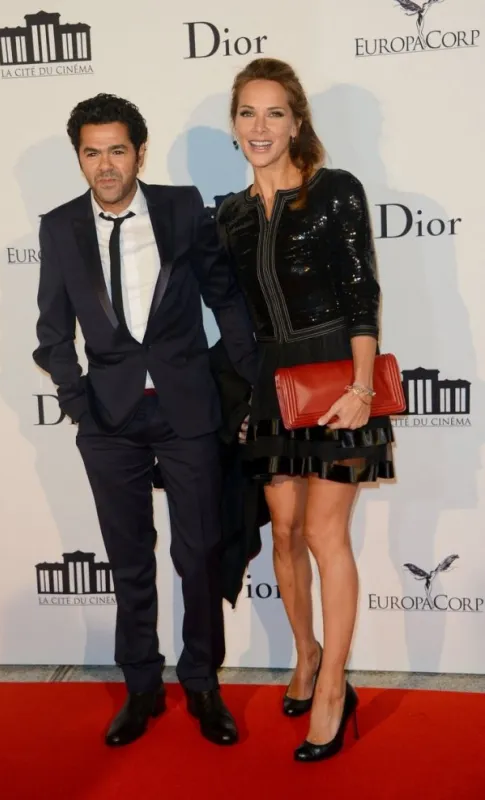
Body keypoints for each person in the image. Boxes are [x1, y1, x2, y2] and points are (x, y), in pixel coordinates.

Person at [33, 93, 257, 747]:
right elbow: (51, 333)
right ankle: (140, 689)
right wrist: (79, 406)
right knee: (128, 559)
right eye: (92, 152)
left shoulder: (184, 209)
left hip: (186, 410)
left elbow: (226, 299)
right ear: (79, 156)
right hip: (109, 419)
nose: (105, 165)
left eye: (117, 150)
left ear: (139, 151)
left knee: (200, 552)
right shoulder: (58, 227)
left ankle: (202, 685)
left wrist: (250, 385)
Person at [217, 58, 395, 762]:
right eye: (247, 113)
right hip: (269, 380)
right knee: (283, 534)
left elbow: (361, 293)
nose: (260, 127)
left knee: (325, 535)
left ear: (297, 122)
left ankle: (332, 686)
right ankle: (304, 651)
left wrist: (359, 388)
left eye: (274, 113)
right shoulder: (227, 214)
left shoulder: (333, 192)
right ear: (233, 125)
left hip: (333, 379)